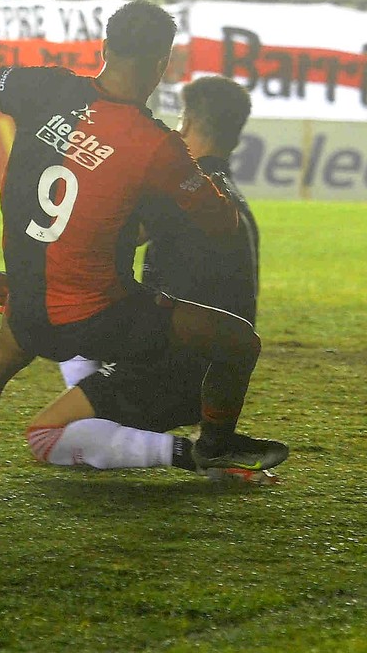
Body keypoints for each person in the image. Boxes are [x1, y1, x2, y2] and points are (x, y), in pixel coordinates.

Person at [0, 2, 288, 504]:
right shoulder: (156, 145)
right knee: (237, 341)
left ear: (104, 48)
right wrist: (196, 180)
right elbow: (219, 220)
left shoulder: (46, 88)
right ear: (160, 65)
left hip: (30, 299)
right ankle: (213, 444)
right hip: (103, 316)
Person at [20, 76, 274, 484]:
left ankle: (193, 456)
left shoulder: (178, 190)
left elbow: (99, 242)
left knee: (44, 435)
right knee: (83, 328)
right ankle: (143, 418)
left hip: (167, 373)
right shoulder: (229, 198)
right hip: (215, 384)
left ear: (187, 124)